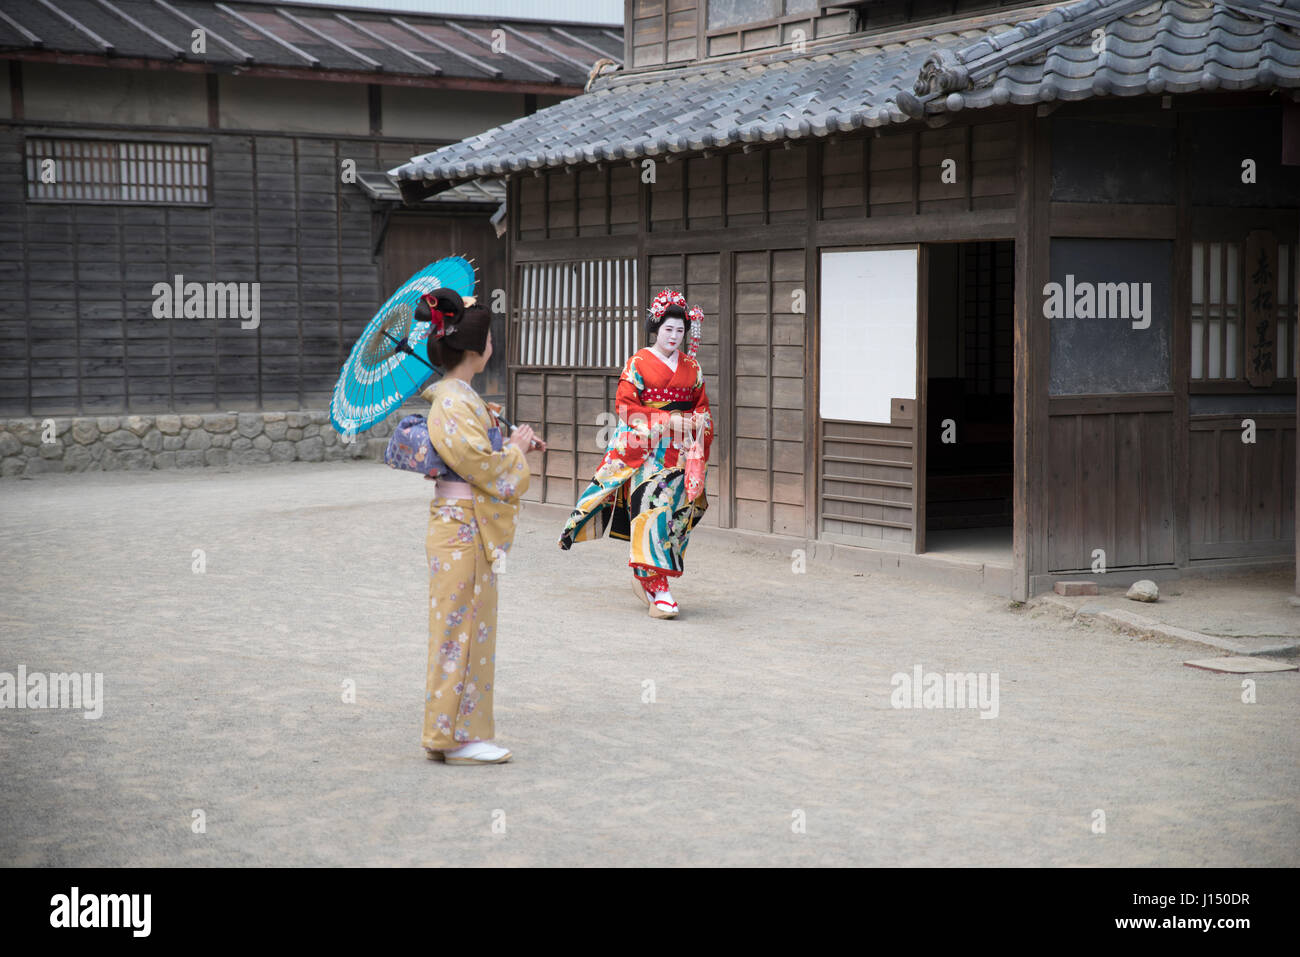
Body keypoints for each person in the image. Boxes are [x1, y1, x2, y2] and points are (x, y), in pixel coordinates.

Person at [415, 293, 544, 765]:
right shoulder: (452, 402)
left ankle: (446, 731)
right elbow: (479, 466)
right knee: (462, 629)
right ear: (475, 348)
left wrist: (510, 439)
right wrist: (514, 452)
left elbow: (480, 455)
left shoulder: (462, 399)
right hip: (461, 529)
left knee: (463, 628)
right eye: (488, 336)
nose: (492, 342)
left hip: (463, 527)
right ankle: (459, 735)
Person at [558, 288, 714, 619]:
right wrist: (667, 419)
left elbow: (702, 410)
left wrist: (697, 433)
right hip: (648, 448)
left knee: (680, 511)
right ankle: (657, 586)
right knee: (651, 506)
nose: (674, 336)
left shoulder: (692, 368)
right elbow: (626, 407)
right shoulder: (638, 363)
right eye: (668, 329)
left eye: (680, 330)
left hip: (682, 450)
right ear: (656, 328)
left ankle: (649, 577)